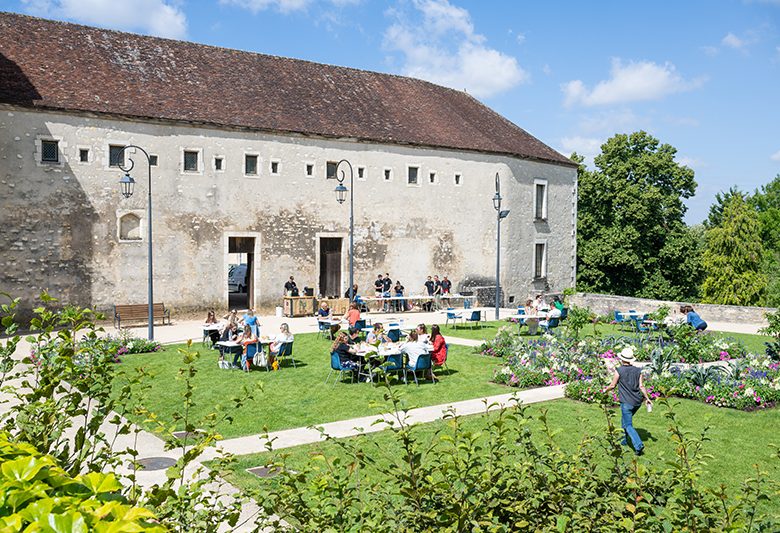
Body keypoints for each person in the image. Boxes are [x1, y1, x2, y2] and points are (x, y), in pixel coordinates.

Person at [603, 348, 652, 455]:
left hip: (627, 403)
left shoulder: (619, 370)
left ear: (621, 359)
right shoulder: (638, 370)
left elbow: (612, 385)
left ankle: (638, 445)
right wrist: (647, 398)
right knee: (624, 421)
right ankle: (625, 440)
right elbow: (641, 386)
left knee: (628, 425)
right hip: (637, 402)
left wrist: (605, 390)